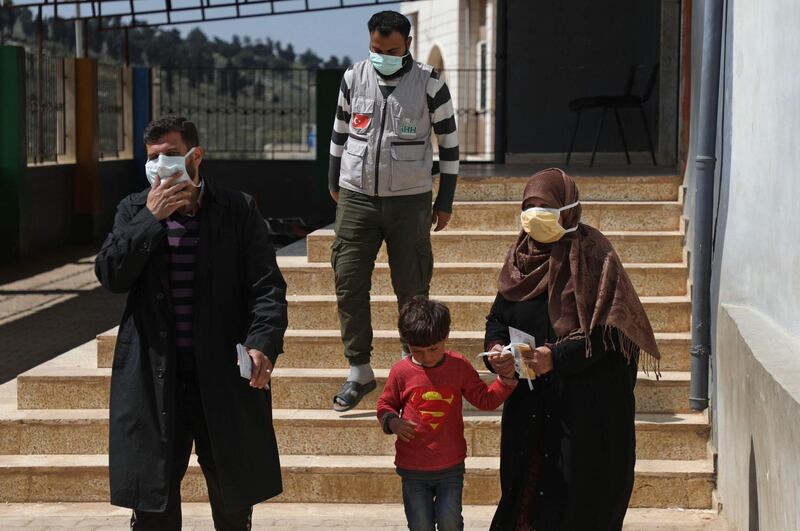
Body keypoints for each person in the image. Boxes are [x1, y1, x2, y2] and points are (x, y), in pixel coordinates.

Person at [95, 116, 288, 530]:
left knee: (233, 498)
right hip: (154, 378)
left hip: (220, 376)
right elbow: (111, 275)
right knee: (153, 501)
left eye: (169, 154)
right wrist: (149, 220)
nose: (159, 164)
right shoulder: (132, 209)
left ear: (195, 156)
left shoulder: (237, 209)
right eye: (152, 157)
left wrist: (263, 343)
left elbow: (267, 287)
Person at [483, 168, 661, 530]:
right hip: (531, 411)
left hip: (583, 413)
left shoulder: (595, 256)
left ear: (568, 208)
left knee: (580, 505)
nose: (534, 214)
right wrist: (497, 350)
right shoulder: (520, 258)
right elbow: (498, 318)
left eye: (544, 206)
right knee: (526, 503)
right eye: (528, 206)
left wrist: (557, 357)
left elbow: (614, 334)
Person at [328, 10, 460, 412]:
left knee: (412, 288)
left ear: (408, 45)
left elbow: (449, 145)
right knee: (348, 281)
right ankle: (360, 371)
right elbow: (339, 131)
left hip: (410, 199)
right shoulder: (354, 77)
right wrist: (333, 182)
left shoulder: (430, 82)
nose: (382, 55)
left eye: (392, 50)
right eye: (375, 49)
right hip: (356, 196)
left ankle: (412, 368)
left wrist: (446, 199)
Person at [376, 297, 517, 531]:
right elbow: (384, 405)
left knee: (450, 523)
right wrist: (393, 422)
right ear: (406, 344)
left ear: (446, 338)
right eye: (417, 351)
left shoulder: (458, 366)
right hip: (413, 468)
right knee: (420, 524)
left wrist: (507, 380)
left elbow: (485, 399)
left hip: (450, 466)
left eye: (433, 349)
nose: (427, 357)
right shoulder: (400, 372)